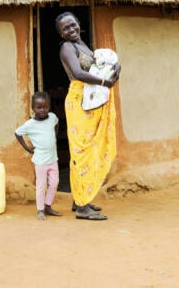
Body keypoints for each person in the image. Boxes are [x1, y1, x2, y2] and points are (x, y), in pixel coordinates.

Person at [55, 12, 120, 221]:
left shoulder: (84, 45)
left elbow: (99, 66)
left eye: (73, 25)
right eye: (66, 28)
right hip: (79, 102)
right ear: (60, 33)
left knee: (89, 150)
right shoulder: (67, 48)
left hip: (91, 100)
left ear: (79, 24)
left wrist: (115, 68)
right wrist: (104, 83)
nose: (71, 30)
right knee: (82, 150)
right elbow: (78, 72)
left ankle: (80, 198)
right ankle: (83, 208)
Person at [14, 91, 62, 220]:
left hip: (53, 159)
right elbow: (17, 133)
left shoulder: (52, 117)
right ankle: (40, 209)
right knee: (41, 185)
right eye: (39, 107)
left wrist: (54, 137)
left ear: (49, 106)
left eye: (45, 107)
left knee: (54, 183)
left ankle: (48, 206)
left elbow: (57, 123)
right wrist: (27, 147)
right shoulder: (30, 124)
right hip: (40, 161)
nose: (42, 110)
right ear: (33, 108)